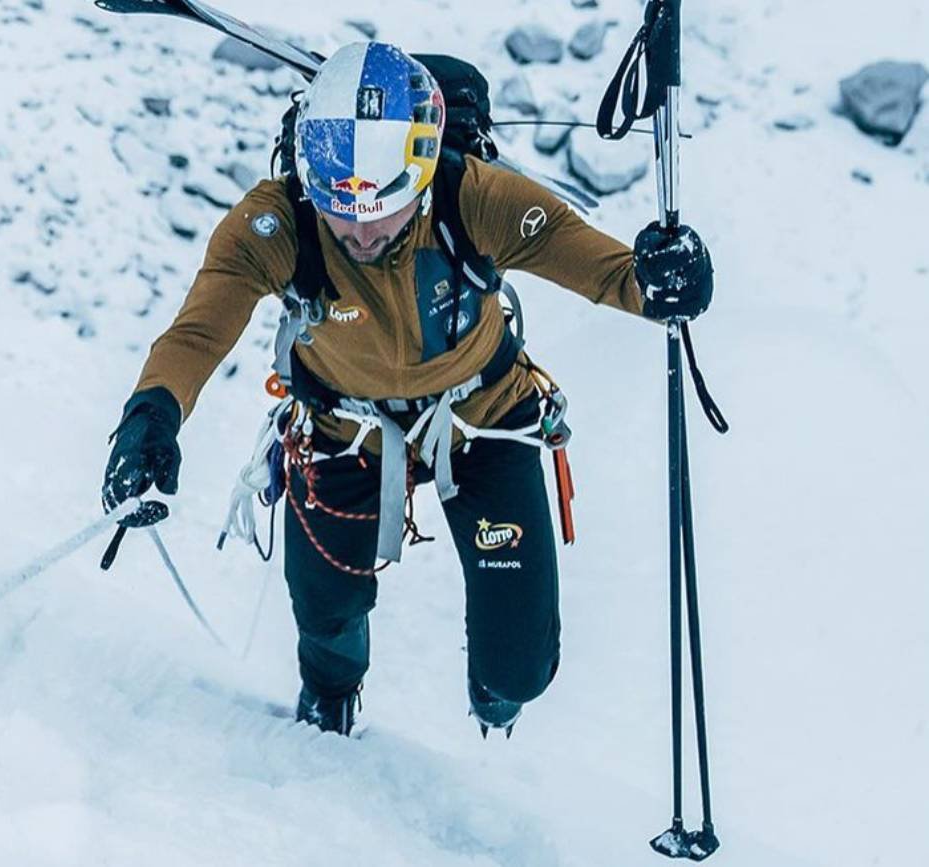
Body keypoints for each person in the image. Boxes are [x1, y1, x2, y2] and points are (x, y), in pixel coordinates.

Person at [102, 42, 712, 738]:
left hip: (482, 422)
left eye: (382, 208)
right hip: (339, 431)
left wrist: (661, 281)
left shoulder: (472, 195)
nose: (360, 229)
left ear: (420, 175)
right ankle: (329, 700)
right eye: (341, 208)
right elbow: (197, 332)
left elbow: (607, 270)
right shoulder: (276, 222)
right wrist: (150, 415)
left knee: (518, 669)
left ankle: (495, 690)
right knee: (325, 607)